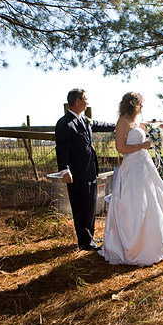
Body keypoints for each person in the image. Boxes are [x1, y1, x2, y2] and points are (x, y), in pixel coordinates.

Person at [99, 92, 163, 266]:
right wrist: (144, 145)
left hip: (144, 166)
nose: (142, 107)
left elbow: (155, 124)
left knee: (153, 201)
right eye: (140, 104)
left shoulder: (136, 122)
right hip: (132, 168)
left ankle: (156, 243)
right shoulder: (123, 122)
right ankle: (135, 247)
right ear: (133, 105)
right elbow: (121, 148)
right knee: (135, 203)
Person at [55, 88, 115, 251]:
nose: (88, 102)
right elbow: (61, 148)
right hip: (76, 173)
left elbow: (100, 125)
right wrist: (65, 170)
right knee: (80, 205)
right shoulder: (65, 123)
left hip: (90, 170)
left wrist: (119, 125)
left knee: (90, 205)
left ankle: (90, 238)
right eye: (85, 99)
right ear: (77, 101)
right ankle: (84, 242)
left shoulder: (84, 119)